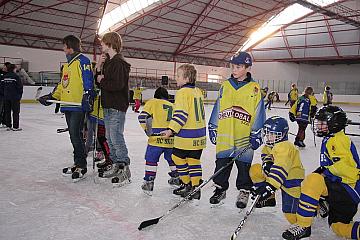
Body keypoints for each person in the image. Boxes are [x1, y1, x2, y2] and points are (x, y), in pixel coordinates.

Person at [282, 105, 360, 240]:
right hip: (346, 197)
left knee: (313, 181)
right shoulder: (332, 138)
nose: (319, 126)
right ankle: (324, 205)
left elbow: (350, 170)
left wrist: (324, 172)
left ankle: (303, 225)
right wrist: (323, 172)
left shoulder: (338, 140)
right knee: (339, 227)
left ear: (334, 124)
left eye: (323, 123)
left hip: (347, 190)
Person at [208, 52, 265, 208]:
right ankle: (220, 189)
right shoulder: (225, 86)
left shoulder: (254, 89)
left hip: (243, 135)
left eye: (238, 67)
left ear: (247, 68)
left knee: (244, 165)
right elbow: (218, 107)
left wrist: (256, 133)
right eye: (232, 66)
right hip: (225, 134)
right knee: (221, 164)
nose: (234, 69)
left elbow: (259, 112)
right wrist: (213, 126)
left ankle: (244, 190)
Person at [38, 35, 94, 181]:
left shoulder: (83, 60)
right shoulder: (67, 65)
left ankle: (82, 165)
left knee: (76, 135)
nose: (63, 49)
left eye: (64, 46)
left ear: (70, 47)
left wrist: (87, 96)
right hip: (68, 105)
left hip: (77, 105)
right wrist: (51, 97)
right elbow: (63, 85)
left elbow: (88, 80)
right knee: (73, 135)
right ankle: (78, 163)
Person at [250, 116, 304, 233]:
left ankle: (315, 207)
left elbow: (280, 168)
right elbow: (266, 153)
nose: (268, 137)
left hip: (291, 179)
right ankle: (270, 199)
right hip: (276, 176)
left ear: (282, 135)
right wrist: (268, 162)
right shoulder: (270, 144)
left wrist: (269, 187)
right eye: (267, 133)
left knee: (291, 216)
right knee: (256, 169)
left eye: (272, 134)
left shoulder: (285, 147)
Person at [161, 64, 206, 200]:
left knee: (177, 157)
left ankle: (187, 184)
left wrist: (171, 130)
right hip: (199, 135)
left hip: (187, 136)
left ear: (186, 78)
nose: (176, 79)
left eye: (178, 76)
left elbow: (181, 114)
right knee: (194, 161)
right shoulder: (198, 91)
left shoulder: (182, 92)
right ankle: (196, 188)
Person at [95, 32, 131, 184]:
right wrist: (99, 69)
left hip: (116, 105)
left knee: (116, 137)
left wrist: (102, 80)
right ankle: (116, 164)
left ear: (110, 44)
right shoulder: (109, 62)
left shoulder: (119, 62)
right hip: (109, 104)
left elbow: (117, 85)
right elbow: (99, 82)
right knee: (110, 138)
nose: (101, 45)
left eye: (103, 43)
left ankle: (124, 168)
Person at [138, 87, 180, 194]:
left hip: (156, 140)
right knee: (171, 159)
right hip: (171, 139)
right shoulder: (172, 105)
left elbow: (142, 117)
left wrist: (148, 131)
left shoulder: (152, 102)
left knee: (151, 159)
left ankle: (149, 182)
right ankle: (177, 177)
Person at [0, 64, 23, 131]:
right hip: (15, 97)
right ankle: (15, 127)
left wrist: (4, 94)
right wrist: (19, 96)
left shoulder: (4, 77)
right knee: (15, 112)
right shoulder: (16, 77)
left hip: (6, 97)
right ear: (13, 69)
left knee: (7, 112)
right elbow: (20, 87)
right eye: (15, 68)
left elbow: (1, 87)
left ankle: (8, 126)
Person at [0, 62, 11, 128]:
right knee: (0, 109)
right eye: (5, 66)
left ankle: (4, 122)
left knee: (6, 109)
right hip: (1, 94)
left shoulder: (9, 74)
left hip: (7, 95)